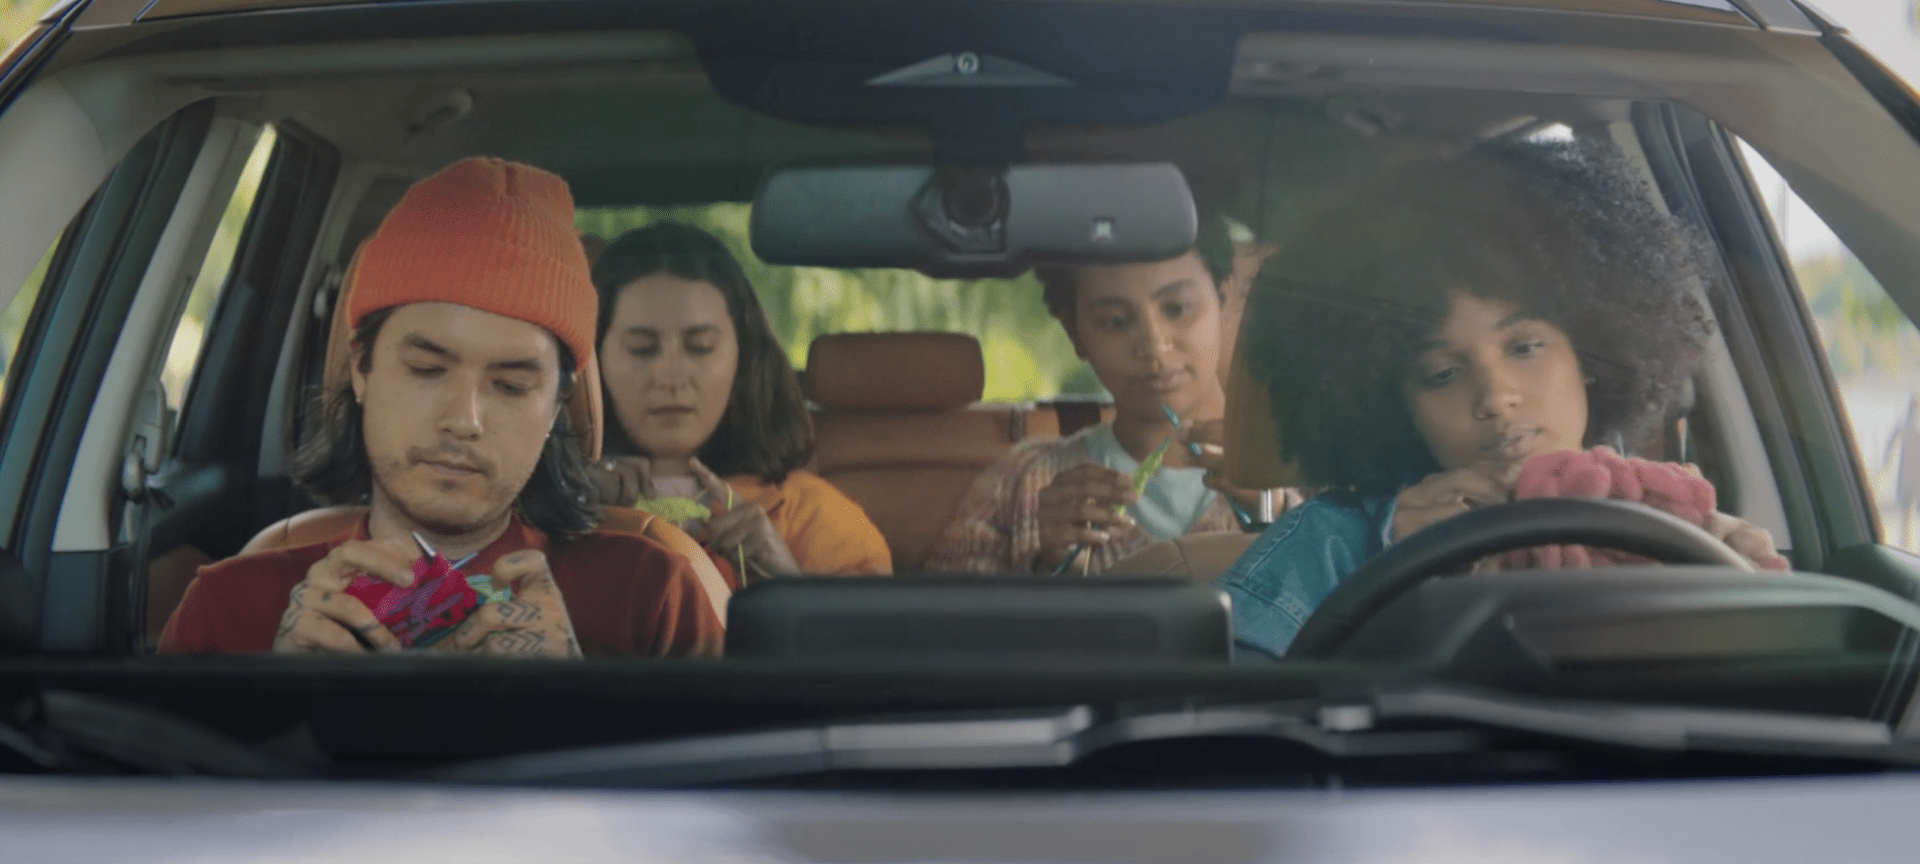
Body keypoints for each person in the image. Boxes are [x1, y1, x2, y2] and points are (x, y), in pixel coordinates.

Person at [1218, 141, 1787, 661]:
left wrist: (1740, 575)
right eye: (1441, 374)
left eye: (1525, 347)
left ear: (1591, 353)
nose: (1495, 397)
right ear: (1392, 405)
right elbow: (1226, 701)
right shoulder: (1331, 543)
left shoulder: (1668, 520)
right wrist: (1382, 552)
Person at [160, 157, 723, 658]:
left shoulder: (651, 596)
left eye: (510, 386)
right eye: (427, 371)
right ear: (361, 368)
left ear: (557, 405)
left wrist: (575, 708)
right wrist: (274, 705)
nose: (464, 420)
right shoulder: (229, 606)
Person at [924, 212, 1295, 575]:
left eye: (1177, 309)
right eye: (1116, 321)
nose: (1154, 346)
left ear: (1225, 300)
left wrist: (1276, 514)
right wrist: (1048, 571)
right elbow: (945, 628)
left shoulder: (1301, 471)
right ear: (1074, 333)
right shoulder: (1019, 483)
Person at [588, 222, 891, 579]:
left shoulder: (814, 516)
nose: (670, 376)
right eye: (642, 349)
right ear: (591, 360)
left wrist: (787, 584)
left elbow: (869, 634)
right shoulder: (541, 511)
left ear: (743, 356)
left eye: (700, 347)